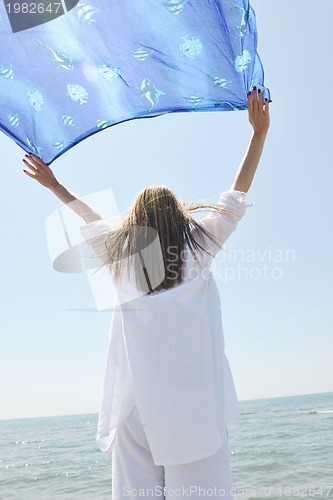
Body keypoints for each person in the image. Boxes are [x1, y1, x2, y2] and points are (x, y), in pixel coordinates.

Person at [23, 87, 270, 499]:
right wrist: (258, 134)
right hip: (193, 411)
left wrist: (55, 185)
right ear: (179, 216)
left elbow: (92, 215)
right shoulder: (197, 248)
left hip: (135, 412)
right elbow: (234, 198)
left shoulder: (120, 254)